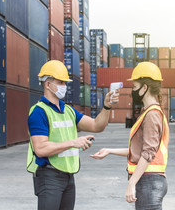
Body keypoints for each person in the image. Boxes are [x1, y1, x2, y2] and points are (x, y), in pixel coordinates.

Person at [27, 60, 119, 210]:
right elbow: (40, 149)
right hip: (49, 177)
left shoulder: (68, 110)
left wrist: (107, 106)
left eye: (65, 82)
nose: (64, 86)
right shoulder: (39, 112)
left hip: (68, 177)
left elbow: (97, 126)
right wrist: (73, 142)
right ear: (48, 84)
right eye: (61, 82)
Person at [90, 62, 169, 210]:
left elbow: (148, 153)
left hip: (149, 182)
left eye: (134, 87)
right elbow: (140, 150)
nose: (132, 91)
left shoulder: (152, 114)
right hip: (150, 181)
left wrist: (131, 183)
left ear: (144, 88)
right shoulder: (150, 112)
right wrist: (109, 151)